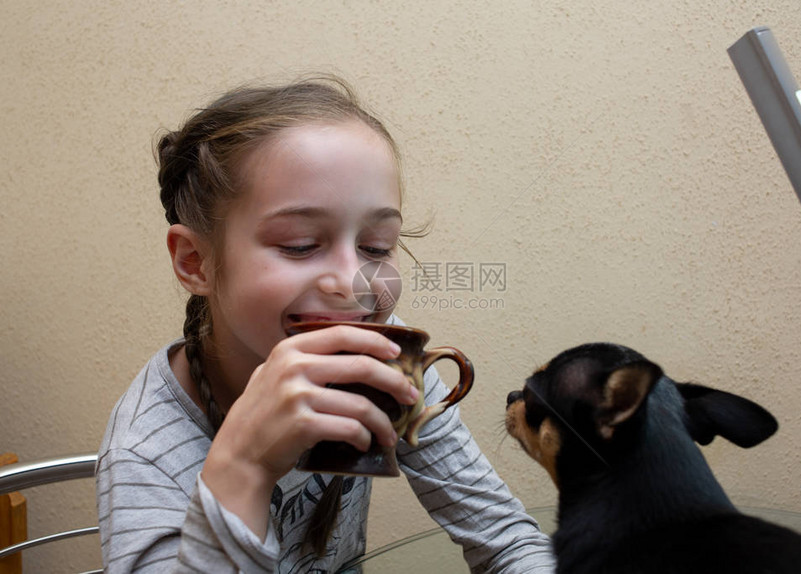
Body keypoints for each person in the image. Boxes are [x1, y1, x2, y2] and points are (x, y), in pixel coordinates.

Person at [97, 75, 556, 573]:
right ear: (195, 261)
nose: (350, 282)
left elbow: (506, 540)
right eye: (299, 244)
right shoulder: (147, 450)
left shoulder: (383, 357)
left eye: (376, 247)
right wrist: (245, 469)